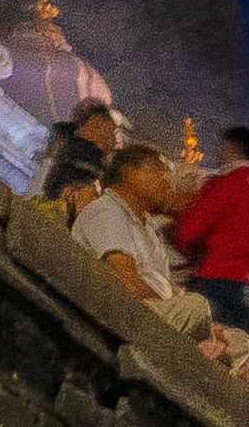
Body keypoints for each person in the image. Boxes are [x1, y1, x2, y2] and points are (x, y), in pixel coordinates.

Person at [71, 143, 209, 336]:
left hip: (152, 310)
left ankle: (207, 345)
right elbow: (125, 278)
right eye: (163, 173)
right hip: (123, 310)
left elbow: (166, 284)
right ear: (132, 174)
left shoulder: (148, 227)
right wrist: (173, 306)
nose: (169, 184)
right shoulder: (106, 210)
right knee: (196, 306)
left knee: (238, 339)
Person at [166, 125, 249, 327]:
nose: (218, 152)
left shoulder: (231, 183)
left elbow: (189, 230)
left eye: (221, 146)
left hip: (216, 280)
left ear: (232, 147)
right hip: (247, 290)